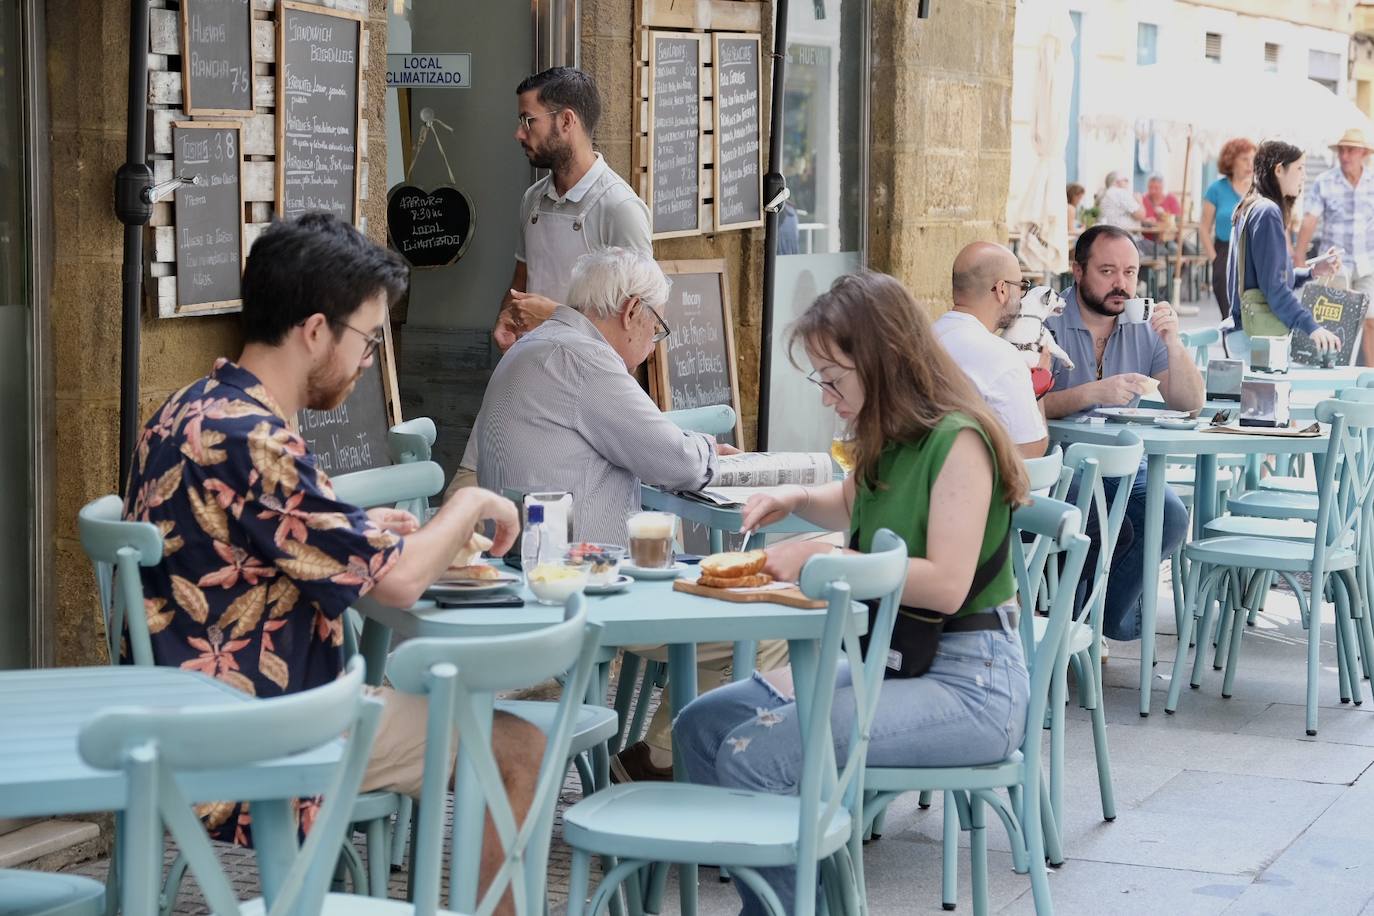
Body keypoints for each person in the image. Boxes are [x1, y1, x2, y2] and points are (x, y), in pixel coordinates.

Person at [122, 213, 540, 912]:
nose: (369, 360)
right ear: (315, 330)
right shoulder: (257, 438)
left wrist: (355, 529)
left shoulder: (185, 408)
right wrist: (465, 509)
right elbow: (402, 582)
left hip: (180, 708)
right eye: (369, 340)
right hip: (263, 724)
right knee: (517, 748)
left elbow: (242, 537)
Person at [675, 271, 1031, 916]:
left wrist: (828, 557)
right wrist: (792, 498)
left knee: (762, 752)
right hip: (894, 662)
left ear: (884, 362)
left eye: (833, 379)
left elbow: (947, 585)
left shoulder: (959, 441)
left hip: (972, 681)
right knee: (703, 726)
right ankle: (793, 882)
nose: (827, 396)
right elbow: (846, 501)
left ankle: (786, 896)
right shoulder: (890, 437)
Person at [471, 247, 788, 782]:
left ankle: (662, 760)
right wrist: (713, 453)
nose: (652, 344)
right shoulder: (584, 358)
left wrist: (697, 449)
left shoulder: (540, 346)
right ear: (632, 310)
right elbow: (674, 459)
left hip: (530, 571)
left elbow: (647, 438)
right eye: (657, 327)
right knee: (769, 627)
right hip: (585, 585)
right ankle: (664, 767)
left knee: (731, 605)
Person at [1042, 224, 1203, 641]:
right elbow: (1027, 408)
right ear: (1077, 271)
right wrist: (1091, 393)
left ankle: (1101, 621)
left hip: (1127, 464)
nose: (1122, 285)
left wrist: (1173, 342)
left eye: (1130, 273)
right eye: (1108, 271)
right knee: (1090, 516)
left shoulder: (1144, 326)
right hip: (1062, 464)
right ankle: (1065, 622)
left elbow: (1188, 402)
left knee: (1169, 518)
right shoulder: (1046, 323)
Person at [491, 67, 651, 352]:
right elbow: (521, 280)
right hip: (533, 365)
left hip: (590, 380)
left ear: (566, 121)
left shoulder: (620, 208)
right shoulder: (533, 199)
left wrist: (553, 316)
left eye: (528, 121)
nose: (518, 133)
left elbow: (638, 325)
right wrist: (508, 316)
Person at [934, 241, 1048, 458]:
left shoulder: (926, 337)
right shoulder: (1001, 356)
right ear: (1002, 289)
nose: (1022, 296)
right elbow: (1031, 450)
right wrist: (1039, 387)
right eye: (1022, 287)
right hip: (980, 487)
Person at [1229, 140, 1342, 352]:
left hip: (1243, 333)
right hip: (1257, 339)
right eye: (1300, 168)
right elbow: (1274, 287)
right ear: (1279, 169)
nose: (1304, 176)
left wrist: (1311, 272)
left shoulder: (1250, 206)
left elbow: (1264, 277)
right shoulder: (1269, 212)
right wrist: (1310, 326)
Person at [1295, 128, 1374, 362]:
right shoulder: (1324, 181)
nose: (1345, 155)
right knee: (1335, 320)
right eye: (1341, 150)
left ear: (1363, 153)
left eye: (1350, 150)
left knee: (1370, 321)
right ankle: (1331, 368)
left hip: (1367, 260)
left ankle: (1370, 381)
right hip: (1335, 264)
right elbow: (1310, 219)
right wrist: (1299, 256)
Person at [1201, 138, 1256, 321]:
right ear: (1231, 161)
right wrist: (1215, 259)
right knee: (1230, 315)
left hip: (1253, 253)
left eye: (1252, 159)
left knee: (1252, 314)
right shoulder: (1216, 189)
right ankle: (1229, 348)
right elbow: (1204, 227)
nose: (1250, 164)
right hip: (1224, 252)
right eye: (1244, 159)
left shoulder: (1259, 189)